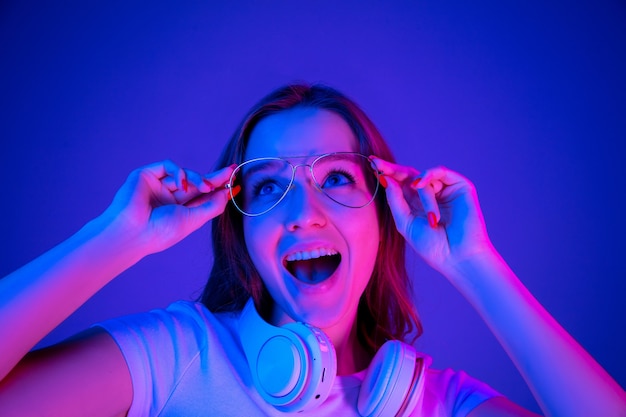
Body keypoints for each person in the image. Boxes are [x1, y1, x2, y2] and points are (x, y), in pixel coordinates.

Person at [0, 84, 624, 417]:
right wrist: (114, 240)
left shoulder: (435, 403)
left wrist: (476, 266)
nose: (304, 214)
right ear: (240, 234)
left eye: (336, 179)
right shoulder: (175, 357)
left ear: (385, 218)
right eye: (270, 187)